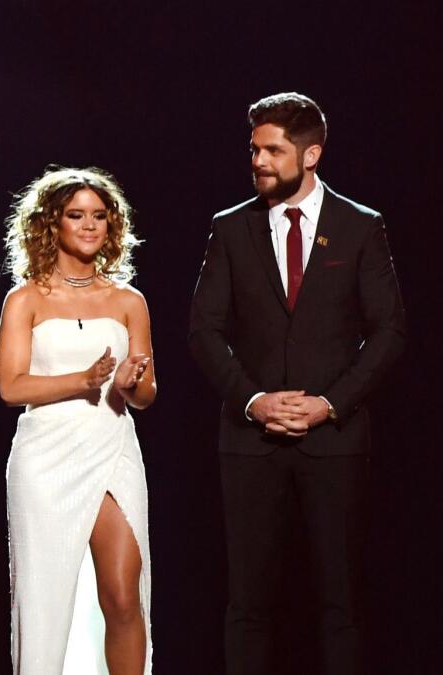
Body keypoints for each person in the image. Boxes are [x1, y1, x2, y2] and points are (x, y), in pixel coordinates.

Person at [189, 92, 406, 675]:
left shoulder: (361, 227)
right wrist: (254, 400)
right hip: (249, 443)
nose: (259, 160)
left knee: (340, 602)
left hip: (334, 441)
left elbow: (388, 331)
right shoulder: (229, 228)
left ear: (311, 154)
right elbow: (204, 330)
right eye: (254, 148)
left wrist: (330, 403)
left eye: (273, 150)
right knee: (247, 603)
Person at [0, 167, 155, 674]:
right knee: (45, 603)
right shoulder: (25, 300)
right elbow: (11, 386)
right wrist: (83, 380)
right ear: (52, 224)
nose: (90, 225)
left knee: (123, 594)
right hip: (46, 456)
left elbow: (146, 394)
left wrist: (131, 382)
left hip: (111, 446)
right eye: (76, 215)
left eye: (100, 216)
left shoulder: (129, 301)